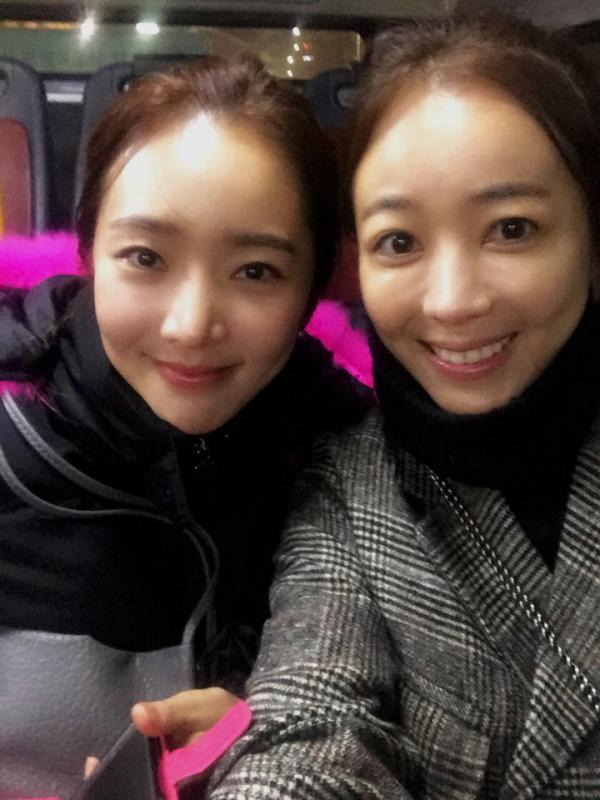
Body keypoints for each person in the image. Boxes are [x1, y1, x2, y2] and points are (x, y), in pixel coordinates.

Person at [206, 13, 600, 798]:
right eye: (399, 241)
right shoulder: (351, 487)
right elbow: (310, 725)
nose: (451, 301)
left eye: (511, 228)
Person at [0, 55, 369, 798]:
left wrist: (266, 740)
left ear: (310, 288)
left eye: (255, 271)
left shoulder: (352, 457)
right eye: (146, 257)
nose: (191, 325)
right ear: (89, 252)